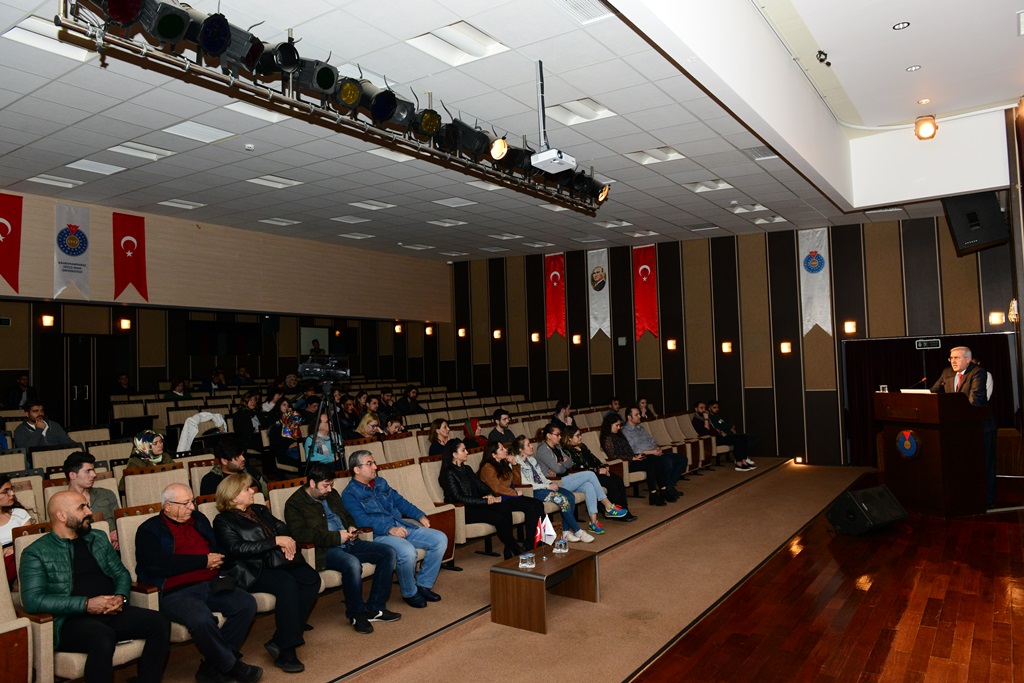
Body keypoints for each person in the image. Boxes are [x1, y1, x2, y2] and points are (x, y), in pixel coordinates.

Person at [21, 491, 170, 683]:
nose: (89, 512)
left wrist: (120, 596)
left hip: (109, 611)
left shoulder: (97, 538)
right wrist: (86, 604)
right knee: (102, 636)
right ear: (61, 516)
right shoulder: (35, 552)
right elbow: (32, 601)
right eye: (81, 507)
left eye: (87, 506)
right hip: (69, 621)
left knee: (160, 622)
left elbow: (121, 573)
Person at [135, 483, 262, 683]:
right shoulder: (149, 530)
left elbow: (216, 547)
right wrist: (203, 561)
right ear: (168, 506)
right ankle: (232, 666)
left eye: (192, 501)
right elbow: (155, 565)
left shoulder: (199, 520)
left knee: (246, 603)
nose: (192, 507)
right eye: (185, 503)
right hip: (176, 591)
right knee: (202, 619)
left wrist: (220, 558)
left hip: (211, 582)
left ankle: (213, 667)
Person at [213, 474, 319, 674]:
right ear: (233, 497)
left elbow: (281, 526)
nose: (252, 491)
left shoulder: (259, 509)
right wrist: (275, 541)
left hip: (276, 560)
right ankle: (286, 652)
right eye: (246, 489)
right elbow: (237, 549)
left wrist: (285, 540)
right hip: (251, 569)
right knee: (287, 584)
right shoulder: (223, 521)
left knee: (311, 579)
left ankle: (279, 639)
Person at [284, 463, 401, 635]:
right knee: (352, 563)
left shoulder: (331, 495)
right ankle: (356, 614)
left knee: (388, 552)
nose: (329, 489)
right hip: (325, 549)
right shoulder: (295, 504)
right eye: (325, 486)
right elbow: (301, 535)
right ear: (312, 483)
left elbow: (346, 515)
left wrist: (351, 526)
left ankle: (375, 608)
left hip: (349, 541)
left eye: (331, 485)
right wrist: (337, 537)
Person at [342, 450, 447, 609]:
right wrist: (389, 529)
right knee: (407, 551)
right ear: (357, 469)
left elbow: (400, 502)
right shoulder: (349, 494)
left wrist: (419, 515)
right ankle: (410, 593)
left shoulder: (380, 482)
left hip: (400, 526)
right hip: (378, 535)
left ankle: (423, 584)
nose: (375, 467)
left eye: (374, 462)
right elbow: (361, 521)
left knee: (440, 539)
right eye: (369, 464)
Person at [439, 440, 533, 559]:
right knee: (498, 518)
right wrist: (485, 501)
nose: (467, 452)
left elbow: (481, 486)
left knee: (504, 507)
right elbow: (459, 498)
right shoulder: (448, 473)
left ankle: (509, 549)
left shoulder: (466, 469)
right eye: (463, 450)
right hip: (464, 510)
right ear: (454, 454)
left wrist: (489, 494)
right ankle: (516, 549)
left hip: (477, 504)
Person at [931, 346, 997, 506]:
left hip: (980, 428)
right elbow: (933, 393)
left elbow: (976, 401)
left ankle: (987, 500)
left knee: (984, 466)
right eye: (951, 358)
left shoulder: (978, 373)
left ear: (967, 359)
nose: (953, 361)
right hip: (957, 428)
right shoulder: (947, 372)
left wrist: (949, 407)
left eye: (957, 358)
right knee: (962, 465)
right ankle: (964, 498)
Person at [533, 423, 628, 535]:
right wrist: (561, 465)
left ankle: (593, 523)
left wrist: (560, 464)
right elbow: (559, 469)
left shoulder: (557, 447)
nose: (560, 437)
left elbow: (569, 463)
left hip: (565, 478)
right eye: (557, 435)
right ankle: (608, 505)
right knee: (590, 474)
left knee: (589, 485)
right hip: (554, 482)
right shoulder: (543, 449)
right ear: (549, 436)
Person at [509, 435, 594, 543]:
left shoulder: (532, 460)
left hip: (544, 487)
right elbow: (526, 483)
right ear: (521, 449)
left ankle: (566, 532)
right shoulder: (515, 464)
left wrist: (549, 483)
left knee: (570, 496)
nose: (531, 446)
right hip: (533, 491)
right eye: (528, 445)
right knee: (562, 499)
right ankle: (578, 531)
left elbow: (541, 477)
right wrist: (546, 486)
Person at [561, 426, 636, 521]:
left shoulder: (582, 446)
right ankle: (612, 511)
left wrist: (603, 467)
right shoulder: (566, 451)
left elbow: (594, 459)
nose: (580, 437)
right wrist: (597, 470)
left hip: (597, 471)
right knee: (611, 483)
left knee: (618, 480)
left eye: (580, 435)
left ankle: (625, 509)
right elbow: (576, 467)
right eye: (577, 435)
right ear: (569, 438)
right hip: (586, 475)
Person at [602, 412, 669, 505]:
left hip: (632, 459)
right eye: (616, 425)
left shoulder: (618, 434)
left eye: (619, 425)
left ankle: (663, 490)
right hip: (624, 464)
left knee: (656, 461)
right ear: (609, 425)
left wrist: (636, 456)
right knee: (650, 465)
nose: (619, 427)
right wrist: (632, 458)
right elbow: (613, 456)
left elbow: (628, 449)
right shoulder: (607, 438)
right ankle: (653, 494)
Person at [623, 406, 687, 499]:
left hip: (655, 453)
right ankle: (666, 489)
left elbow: (652, 441)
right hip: (645, 456)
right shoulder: (625, 432)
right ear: (629, 417)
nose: (640, 416)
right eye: (636, 415)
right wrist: (652, 452)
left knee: (682, 459)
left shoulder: (641, 428)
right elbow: (634, 450)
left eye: (639, 414)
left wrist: (657, 448)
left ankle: (668, 486)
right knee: (666, 462)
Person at [476, 441, 546, 527]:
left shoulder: (502, 464)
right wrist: (515, 493)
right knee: (530, 507)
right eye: (502, 449)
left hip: (511, 496)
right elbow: (497, 488)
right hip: (502, 499)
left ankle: (541, 533)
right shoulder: (487, 468)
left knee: (538, 504)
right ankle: (532, 536)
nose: (505, 450)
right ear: (494, 455)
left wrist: (514, 465)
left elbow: (516, 482)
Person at [64, 452, 121, 550]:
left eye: (93, 470)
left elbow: (120, 522)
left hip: (113, 550)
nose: (94, 474)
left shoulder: (106, 494)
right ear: (73, 475)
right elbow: (64, 536)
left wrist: (119, 536)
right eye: (88, 471)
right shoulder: (62, 503)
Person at [201, 435, 269, 498]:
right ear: (224, 461)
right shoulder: (210, 481)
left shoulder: (251, 472)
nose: (243, 459)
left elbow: (267, 492)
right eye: (237, 456)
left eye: (242, 455)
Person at [0, 473, 33, 583]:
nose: (12, 493)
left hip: (21, 557)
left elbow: (29, 540)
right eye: (6, 491)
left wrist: (15, 547)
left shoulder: (19, 514)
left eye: (11, 489)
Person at [708, 400, 757, 469]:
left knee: (751, 437)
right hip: (722, 437)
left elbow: (724, 426)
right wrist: (725, 429)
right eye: (714, 407)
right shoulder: (710, 418)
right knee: (740, 439)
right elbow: (718, 428)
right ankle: (739, 462)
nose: (717, 409)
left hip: (729, 434)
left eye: (717, 407)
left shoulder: (717, 416)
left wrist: (731, 427)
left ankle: (744, 459)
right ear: (709, 408)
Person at [268, 399, 304, 472]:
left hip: (295, 449)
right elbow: (275, 445)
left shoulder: (293, 423)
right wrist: (289, 445)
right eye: (284, 405)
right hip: (284, 452)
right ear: (279, 406)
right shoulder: (276, 426)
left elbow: (298, 437)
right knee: (303, 459)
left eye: (288, 405)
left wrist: (297, 443)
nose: (286, 407)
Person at [232, 390, 267, 454]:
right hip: (249, 439)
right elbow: (239, 432)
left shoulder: (258, 412)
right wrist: (255, 430)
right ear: (245, 401)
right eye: (250, 400)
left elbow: (265, 424)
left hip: (262, 436)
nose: (253, 402)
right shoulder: (238, 415)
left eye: (254, 400)